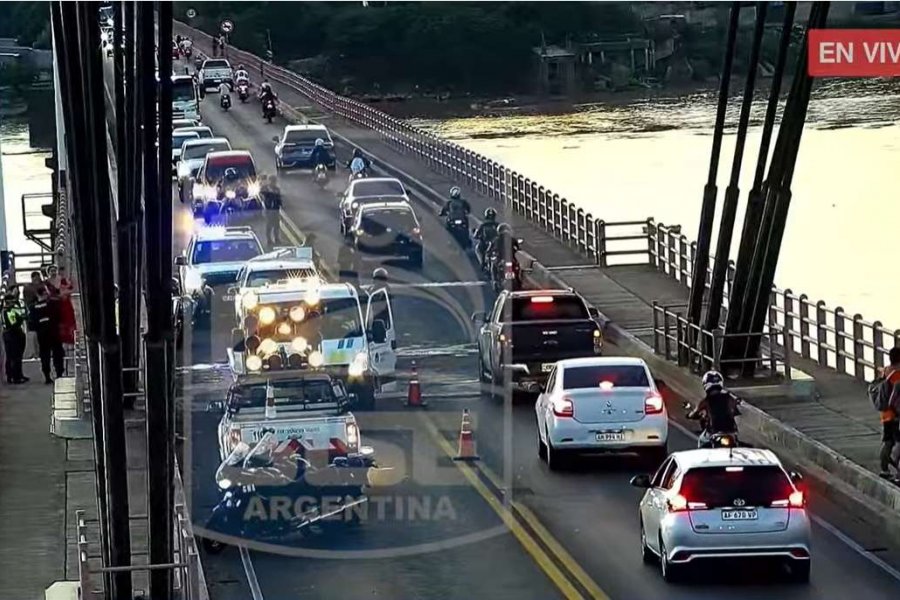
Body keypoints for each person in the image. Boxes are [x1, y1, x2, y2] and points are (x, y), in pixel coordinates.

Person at [687, 370, 741, 447]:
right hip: (731, 431)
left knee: (701, 441)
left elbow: (695, 412)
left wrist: (690, 415)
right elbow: (735, 408)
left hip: (714, 431)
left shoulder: (705, 401)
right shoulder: (729, 397)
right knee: (737, 443)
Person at [31, 284, 65, 384]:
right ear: (45, 293)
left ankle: (47, 376)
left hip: (42, 335)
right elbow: (59, 316)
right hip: (54, 332)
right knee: (57, 354)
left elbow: (32, 324)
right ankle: (59, 374)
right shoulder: (53, 303)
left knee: (45, 355)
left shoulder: (33, 308)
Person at [876, 347, 900, 480]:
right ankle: (892, 466)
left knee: (888, 442)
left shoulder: (886, 370)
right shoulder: (897, 374)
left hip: (886, 414)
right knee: (895, 442)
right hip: (895, 414)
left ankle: (884, 469)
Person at [2, 288, 28, 384]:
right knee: (13, 356)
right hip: (12, 334)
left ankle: (18, 374)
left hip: (14, 333)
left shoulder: (12, 309)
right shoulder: (7, 311)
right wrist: (21, 319)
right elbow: (13, 323)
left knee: (17, 356)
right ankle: (14, 377)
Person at [22, 270, 43, 359]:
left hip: (40, 313)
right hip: (33, 313)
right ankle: (35, 352)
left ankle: (39, 352)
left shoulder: (43, 286)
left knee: (40, 334)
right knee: (34, 334)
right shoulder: (28, 288)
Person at [262, 174, 283, 246]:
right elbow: (263, 197)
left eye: (274, 181)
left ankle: (277, 238)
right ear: (269, 181)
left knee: (276, 225)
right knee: (269, 226)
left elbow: (279, 198)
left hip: (275, 210)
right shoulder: (265, 189)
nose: (273, 182)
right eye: (272, 181)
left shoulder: (277, 189)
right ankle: (269, 240)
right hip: (268, 210)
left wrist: (280, 204)